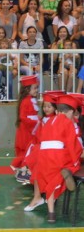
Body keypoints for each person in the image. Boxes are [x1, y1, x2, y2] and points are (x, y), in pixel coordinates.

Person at [36, 94, 83, 223]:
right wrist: (75, 161)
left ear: (57, 110)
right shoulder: (67, 122)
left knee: (50, 182)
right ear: (70, 111)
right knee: (70, 166)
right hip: (58, 157)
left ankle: (51, 213)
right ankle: (68, 174)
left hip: (43, 157)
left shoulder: (48, 121)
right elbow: (71, 144)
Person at [10, 75, 39, 172]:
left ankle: (24, 168)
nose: (36, 90)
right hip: (26, 130)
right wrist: (35, 122)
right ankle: (19, 166)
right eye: (34, 88)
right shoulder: (25, 101)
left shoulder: (31, 100)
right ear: (27, 89)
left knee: (28, 150)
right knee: (26, 150)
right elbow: (23, 117)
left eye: (37, 88)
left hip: (31, 128)